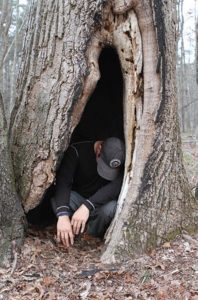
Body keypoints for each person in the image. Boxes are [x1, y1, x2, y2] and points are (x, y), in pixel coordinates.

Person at [51, 137, 125, 247]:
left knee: (112, 207)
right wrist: (63, 216)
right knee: (57, 201)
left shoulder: (124, 158)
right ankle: (70, 229)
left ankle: (89, 234)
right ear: (99, 149)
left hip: (100, 205)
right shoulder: (77, 151)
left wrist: (87, 206)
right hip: (78, 200)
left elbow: (116, 186)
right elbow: (63, 183)